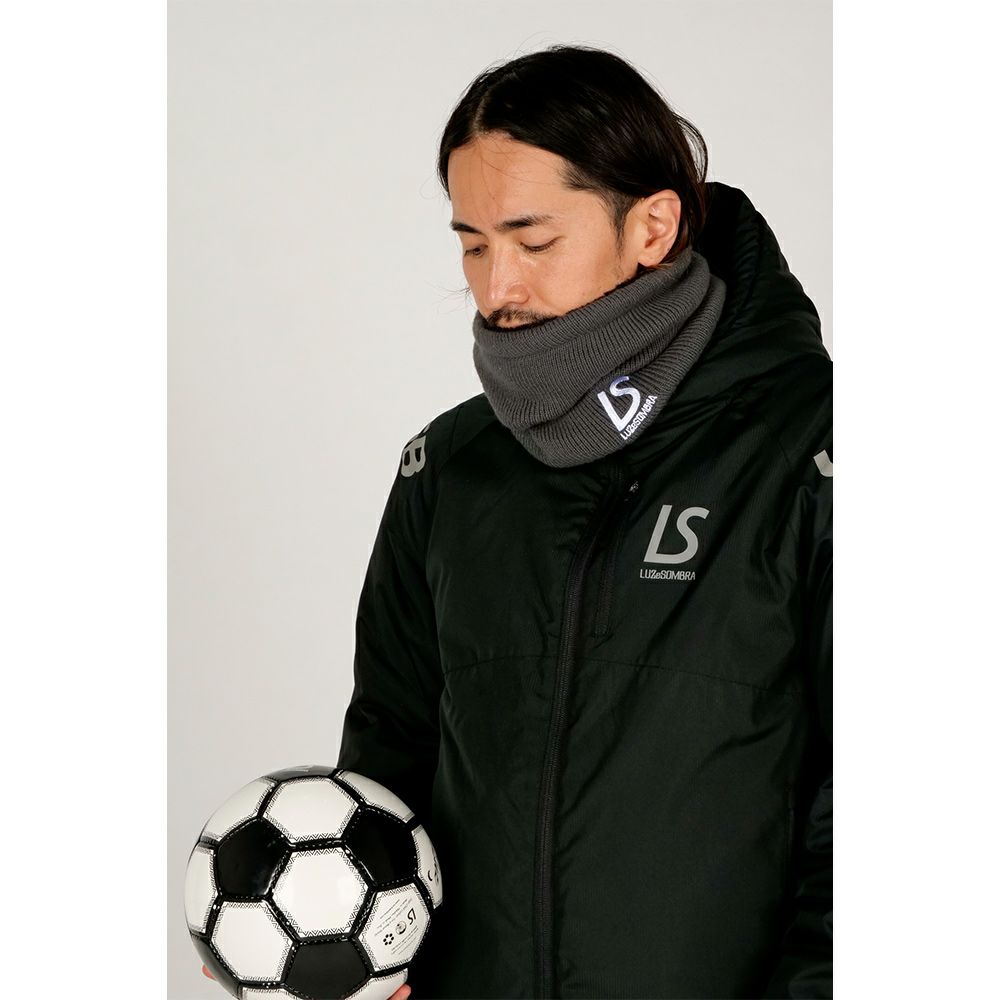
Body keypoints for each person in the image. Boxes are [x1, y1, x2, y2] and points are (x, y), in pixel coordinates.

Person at [335, 45, 832, 999]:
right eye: (473, 244)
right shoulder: (449, 468)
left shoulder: (814, 450)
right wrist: (339, 950)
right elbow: (389, 761)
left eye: (532, 241)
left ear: (651, 227)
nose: (497, 289)